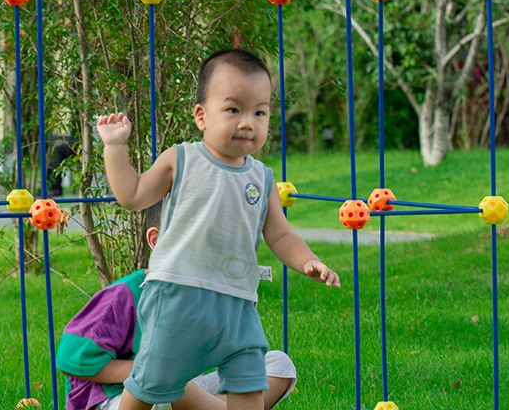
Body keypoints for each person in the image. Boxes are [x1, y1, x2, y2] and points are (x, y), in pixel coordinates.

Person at [98, 49, 340, 410]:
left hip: (237, 302)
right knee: (152, 380)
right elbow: (132, 195)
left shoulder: (263, 178)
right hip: (178, 297)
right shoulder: (181, 159)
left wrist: (308, 261)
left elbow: (281, 235)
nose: (248, 122)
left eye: (260, 112)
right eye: (233, 110)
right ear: (201, 116)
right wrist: (115, 146)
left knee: (247, 377)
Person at [56, 200, 297, 410]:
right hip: (121, 400)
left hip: (182, 393)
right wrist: (144, 371)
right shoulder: (124, 295)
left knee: (278, 364)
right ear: (157, 240)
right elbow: (71, 359)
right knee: (160, 377)